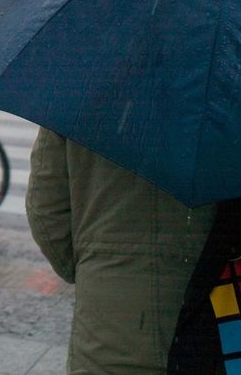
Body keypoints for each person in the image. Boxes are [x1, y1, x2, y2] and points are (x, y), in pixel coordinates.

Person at [25, 127, 215, 374]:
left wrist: (90, 267)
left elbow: (46, 212)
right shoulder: (239, 100)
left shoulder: (77, 95)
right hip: (216, 321)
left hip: (108, 322)